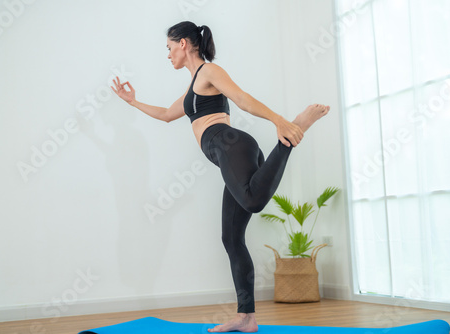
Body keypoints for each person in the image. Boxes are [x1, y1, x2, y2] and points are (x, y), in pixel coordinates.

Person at [111, 21, 330, 333]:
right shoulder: (193, 86)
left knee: (253, 202)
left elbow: (240, 98)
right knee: (231, 238)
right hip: (232, 154)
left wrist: (279, 121)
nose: (168, 54)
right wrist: (132, 101)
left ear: (183, 43)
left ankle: (292, 134)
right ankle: (246, 318)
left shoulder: (209, 72)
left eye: (169, 48)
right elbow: (165, 114)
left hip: (230, 147)